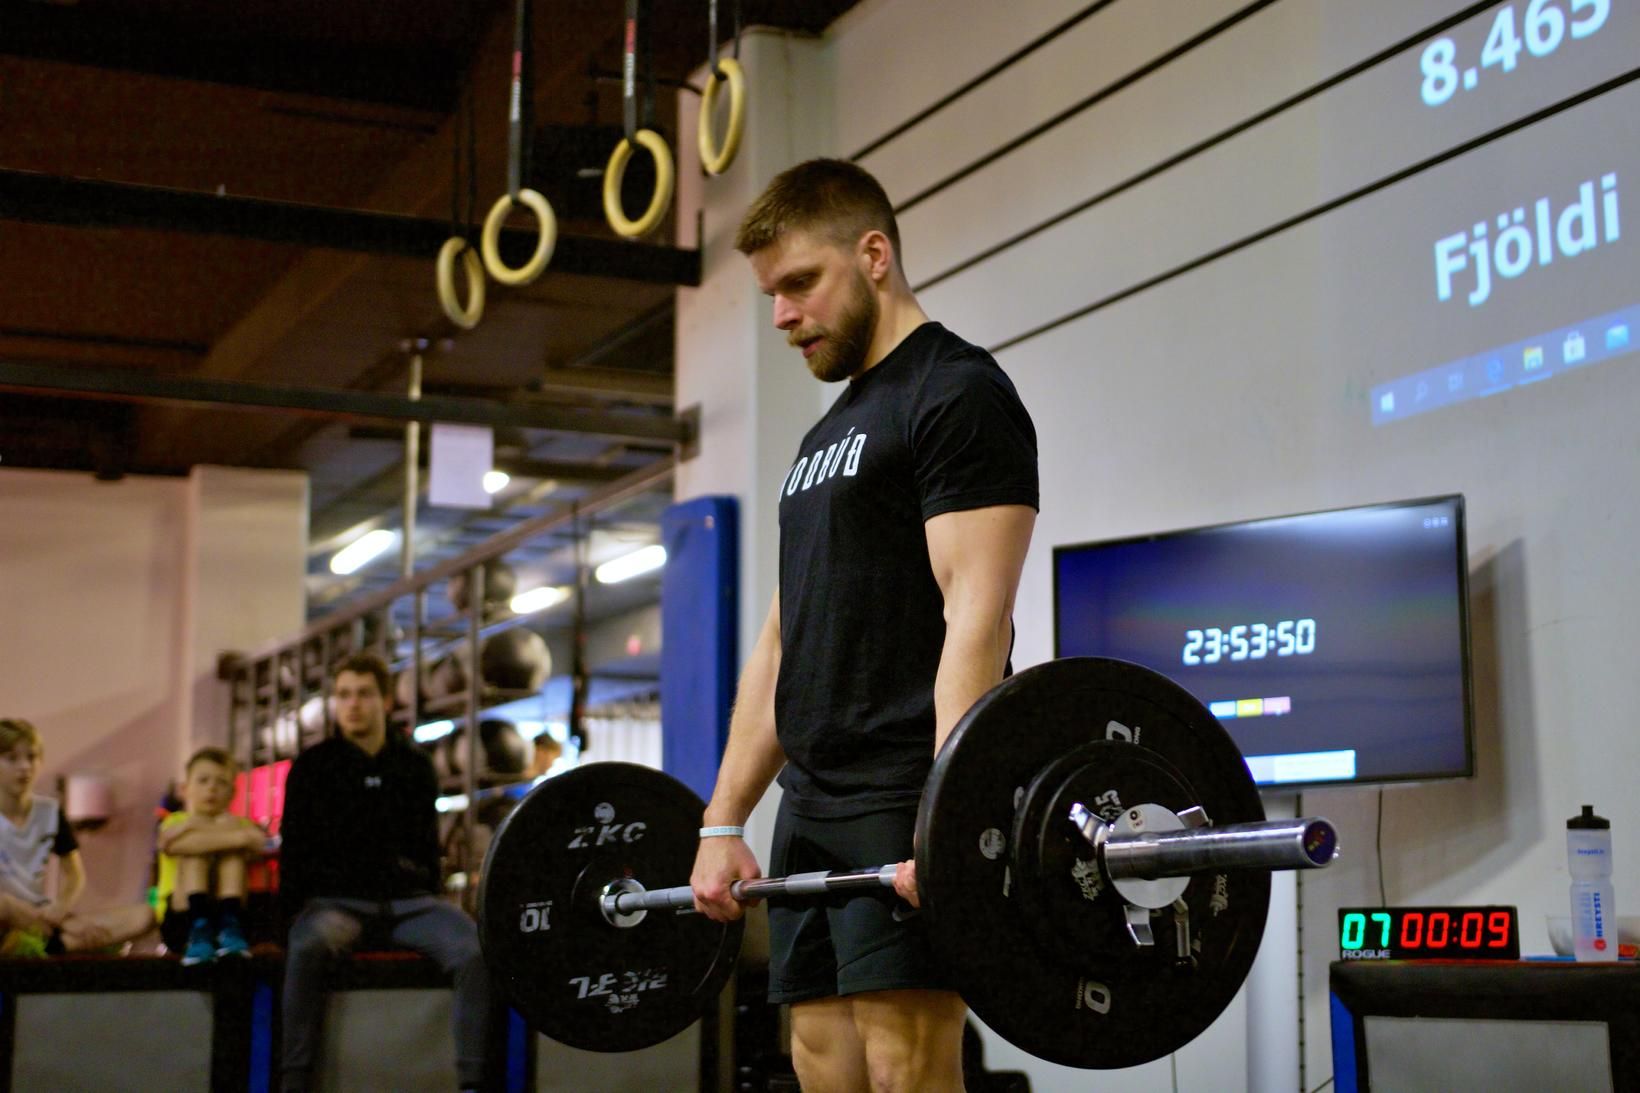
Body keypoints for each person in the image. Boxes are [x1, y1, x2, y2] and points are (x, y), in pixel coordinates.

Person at [689, 159, 1038, 1092]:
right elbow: (780, 641)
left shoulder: (957, 392)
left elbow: (978, 615)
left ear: (874, 254)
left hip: (900, 785)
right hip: (813, 794)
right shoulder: (818, 446)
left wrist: (947, 806)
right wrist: (724, 816)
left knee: (905, 1064)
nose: (782, 316)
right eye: (770, 294)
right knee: (819, 1061)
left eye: (800, 283)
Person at [277, 652, 491, 1093]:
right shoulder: (312, 767)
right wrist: (291, 915)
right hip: (338, 906)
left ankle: (473, 1079)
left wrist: (425, 889)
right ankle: (294, 1079)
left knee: (474, 951)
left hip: (410, 905)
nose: (353, 704)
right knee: (305, 948)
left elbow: (427, 848)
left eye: (364, 694)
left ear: (385, 700)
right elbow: (294, 850)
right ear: (335, 702)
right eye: (344, 695)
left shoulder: (413, 765)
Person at [0, 717, 155, 956]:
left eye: (31, 757)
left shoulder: (49, 812)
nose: (24, 767)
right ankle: (59, 939)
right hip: (9, 919)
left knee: (144, 916)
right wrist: (30, 916)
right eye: (12, 759)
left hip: (44, 919)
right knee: (3, 905)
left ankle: (51, 943)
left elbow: (74, 874)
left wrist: (61, 908)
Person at [154, 746, 267, 964]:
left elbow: (260, 842)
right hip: (182, 918)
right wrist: (238, 838)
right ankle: (199, 927)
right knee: (197, 855)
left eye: (221, 782)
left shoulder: (239, 824)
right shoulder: (176, 822)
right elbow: (175, 845)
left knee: (231, 858)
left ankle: (229, 925)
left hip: (232, 915)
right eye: (203, 780)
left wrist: (233, 836)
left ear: (233, 793)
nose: (212, 788)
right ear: (185, 789)